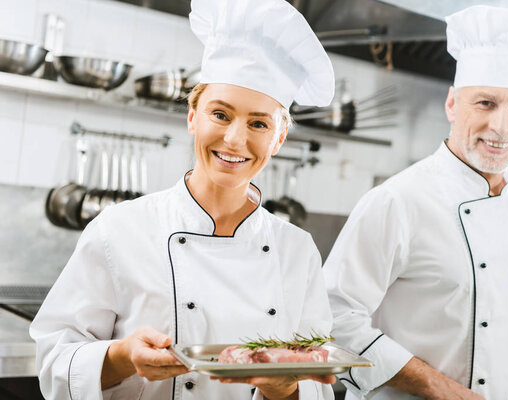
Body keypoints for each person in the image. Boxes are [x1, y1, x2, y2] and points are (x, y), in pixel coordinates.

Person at [30, 0, 337, 399]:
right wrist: (122, 356)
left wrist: (285, 390)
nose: (234, 140)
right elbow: (54, 364)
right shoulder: (119, 229)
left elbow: (317, 384)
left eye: (259, 123)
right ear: (193, 116)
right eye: (220, 114)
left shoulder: (297, 251)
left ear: (278, 138)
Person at [323, 5, 508, 400]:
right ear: (452, 104)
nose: (501, 127)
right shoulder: (398, 200)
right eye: (486, 103)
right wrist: (436, 386)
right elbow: (334, 315)